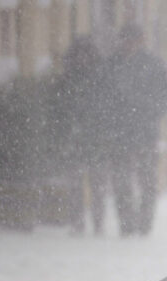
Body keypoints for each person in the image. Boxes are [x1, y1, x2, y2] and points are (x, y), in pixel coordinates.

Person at [107, 24, 167, 236]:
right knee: (122, 180)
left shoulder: (152, 65)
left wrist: (148, 113)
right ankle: (126, 223)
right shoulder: (113, 64)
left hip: (145, 132)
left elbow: (164, 97)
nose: (128, 44)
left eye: (132, 40)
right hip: (120, 133)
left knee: (146, 181)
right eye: (126, 40)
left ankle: (144, 224)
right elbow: (104, 97)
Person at [57, 36, 109, 235]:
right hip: (75, 141)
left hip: (94, 140)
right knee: (76, 187)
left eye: (86, 54)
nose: (82, 59)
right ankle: (77, 222)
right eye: (79, 54)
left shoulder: (100, 79)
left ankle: (98, 223)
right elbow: (59, 111)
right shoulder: (67, 80)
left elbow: (107, 108)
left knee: (97, 186)